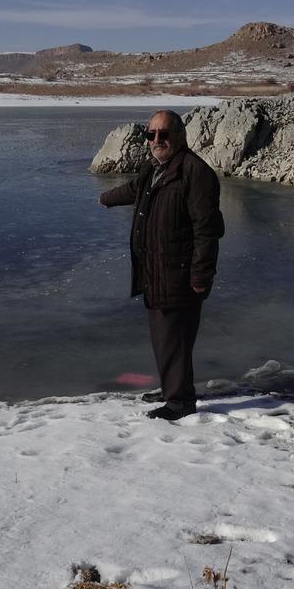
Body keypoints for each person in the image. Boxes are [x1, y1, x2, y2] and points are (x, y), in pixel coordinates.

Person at [99, 110, 225, 420]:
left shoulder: (195, 173)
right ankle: (172, 388)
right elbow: (134, 190)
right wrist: (106, 198)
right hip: (155, 271)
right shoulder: (155, 168)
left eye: (164, 134)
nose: (157, 140)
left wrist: (200, 277)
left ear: (181, 135)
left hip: (179, 274)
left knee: (175, 338)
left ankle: (180, 402)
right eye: (151, 134)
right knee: (165, 336)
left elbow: (207, 230)